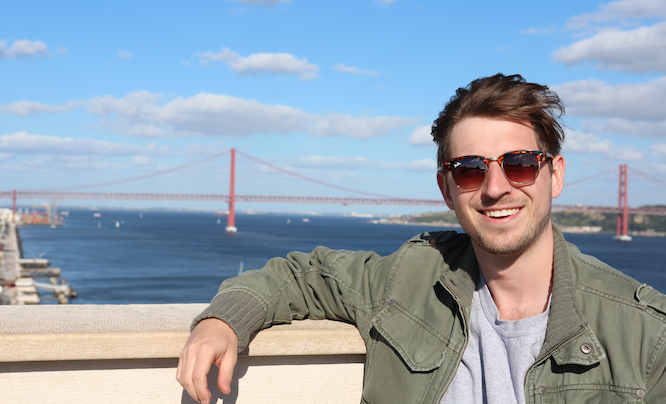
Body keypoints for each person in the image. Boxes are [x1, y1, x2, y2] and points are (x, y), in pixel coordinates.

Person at [177, 73, 666, 404]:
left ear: (554, 175)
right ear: (446, 189)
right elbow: (301, 276)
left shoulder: (645, 337)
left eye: (518, 163)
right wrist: (222, 322)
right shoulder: (408, 281)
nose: (496, 188)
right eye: (470, 170)